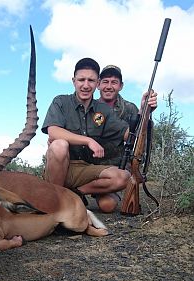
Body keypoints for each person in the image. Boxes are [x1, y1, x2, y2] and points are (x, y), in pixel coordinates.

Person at [41, 58, 157, 213]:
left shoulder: (103, 110)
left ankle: (73, 194)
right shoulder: (61, 102)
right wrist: (88, 141)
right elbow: (53, 131)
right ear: (73, 81)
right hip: (63, 167)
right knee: (59, 146)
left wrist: (145, 112)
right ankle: (54, 202)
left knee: (123, 177)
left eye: (91, 80)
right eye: (81, 80)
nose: (86, 85)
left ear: (97, 84)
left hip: (86, 169)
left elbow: (129, 136)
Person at [96, 65, 139, 166]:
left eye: (114, 82)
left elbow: (139, 144)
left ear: (121, 86)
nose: (109, 87)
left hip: (121, 168)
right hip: (92, 166)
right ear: (98, 84)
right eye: (105, 82)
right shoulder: (90, 108)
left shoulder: (130, 109)